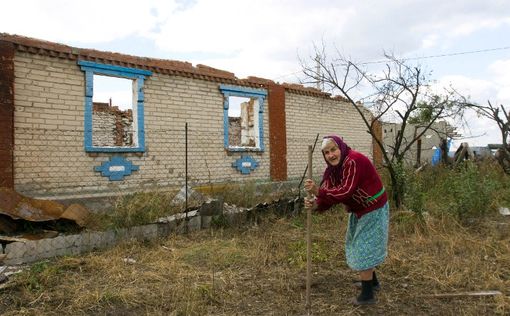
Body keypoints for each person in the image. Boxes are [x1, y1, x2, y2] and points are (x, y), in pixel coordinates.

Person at [304, 135, 389, 306]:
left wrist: (318, 191)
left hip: (373, 208)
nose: (331, 155)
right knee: (359, 244)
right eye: (326, 152)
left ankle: (367, 296)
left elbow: (345, 192)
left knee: (363, 246)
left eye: (333, 149)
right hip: (358, 210)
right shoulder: (332, 172)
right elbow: (328, 194)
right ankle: (372, 282)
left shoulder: (353, 161)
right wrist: (315, 205)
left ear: (341, 148)